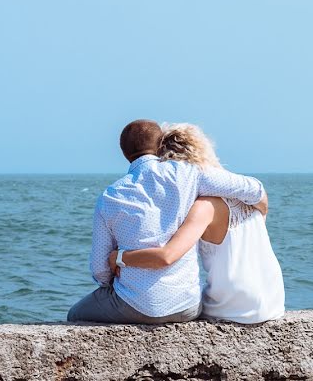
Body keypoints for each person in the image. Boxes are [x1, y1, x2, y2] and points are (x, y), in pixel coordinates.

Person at [67, 119, 268, 324]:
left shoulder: (109, 197)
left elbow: (100, 270)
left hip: (130, 305)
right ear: (159, 145)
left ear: (124, 153)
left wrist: (116, 272)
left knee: (74, 315)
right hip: (186, 307)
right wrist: (262, 215)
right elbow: (254, 189)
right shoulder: (189, 174)